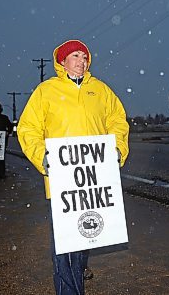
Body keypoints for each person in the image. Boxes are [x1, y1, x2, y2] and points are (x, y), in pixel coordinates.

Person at [17, 39, 129, 295]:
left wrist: (117, 150)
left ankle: (78, 272)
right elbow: (28, 128)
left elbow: (118, 122)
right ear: (62, 61)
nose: (82, 61)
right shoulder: (46, 91)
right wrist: (41, 156)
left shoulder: (101, 91)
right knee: (65, 246)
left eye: (85, 57)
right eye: (76, 56)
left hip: (95, 181)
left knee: (85, 235)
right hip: (62, 181)